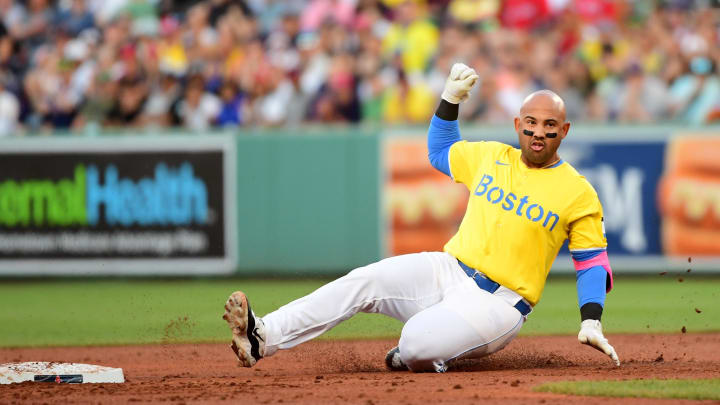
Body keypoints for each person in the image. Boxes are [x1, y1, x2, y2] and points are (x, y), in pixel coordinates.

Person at [222, 62, 620, 372]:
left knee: (414, 343)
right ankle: (262, 336)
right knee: (365, 280)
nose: (538, 132)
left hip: (500, 304)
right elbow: (439, 150)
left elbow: (591, 262)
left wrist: (591, 320)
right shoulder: (491, 157)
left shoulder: (578, 191)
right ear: (518, 125)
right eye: (530, 123)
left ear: (564, 131)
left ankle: (421, 352)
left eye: (549, 125)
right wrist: (449, 99)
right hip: (448, 269)